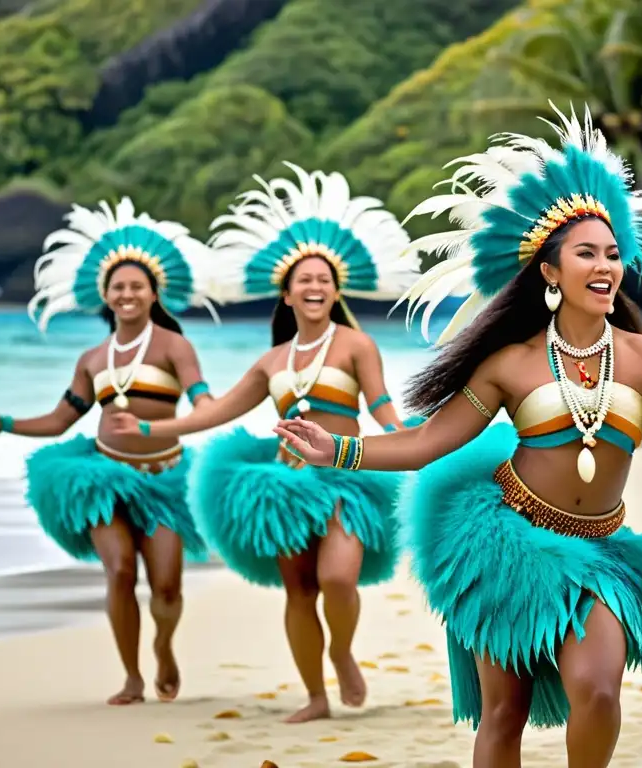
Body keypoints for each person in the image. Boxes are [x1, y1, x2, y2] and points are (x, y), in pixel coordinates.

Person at [273, 104, 642, 767]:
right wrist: (339, 449)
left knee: (597, 690)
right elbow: (428, 442)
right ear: (550, 272)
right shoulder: (512, 361)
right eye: (586, 253)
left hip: (602, 550)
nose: (604, 265)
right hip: (505, 544)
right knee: (502, 713)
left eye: (613, 254)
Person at [108, 164, 421, 723]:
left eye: (324, 279)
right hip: (283, 483)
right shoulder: (272, 361)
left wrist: (404, 435)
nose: (316, 286)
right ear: (287, 290)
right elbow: (219, 411)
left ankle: (342, 650)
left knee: (337, 577)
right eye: (305, 280)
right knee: (298, 590)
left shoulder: (356, 344)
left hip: (346, 476)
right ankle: (316, 697)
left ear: (337, 287)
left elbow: (378, 404)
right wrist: (151, 430)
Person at [0, 198, 219, 705]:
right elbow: (60, 418)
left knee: (166, 587)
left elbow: (201, 399)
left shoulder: (172, 346)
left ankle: (163, 646)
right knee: (120, 571)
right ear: (105, 294)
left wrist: (213, 408)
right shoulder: (93, 358)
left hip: (164, 478)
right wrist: (2, 422)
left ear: (152, 292)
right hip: (102, 475)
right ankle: (132, 678)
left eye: (136, 286)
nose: (127, 294)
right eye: (118, 287)